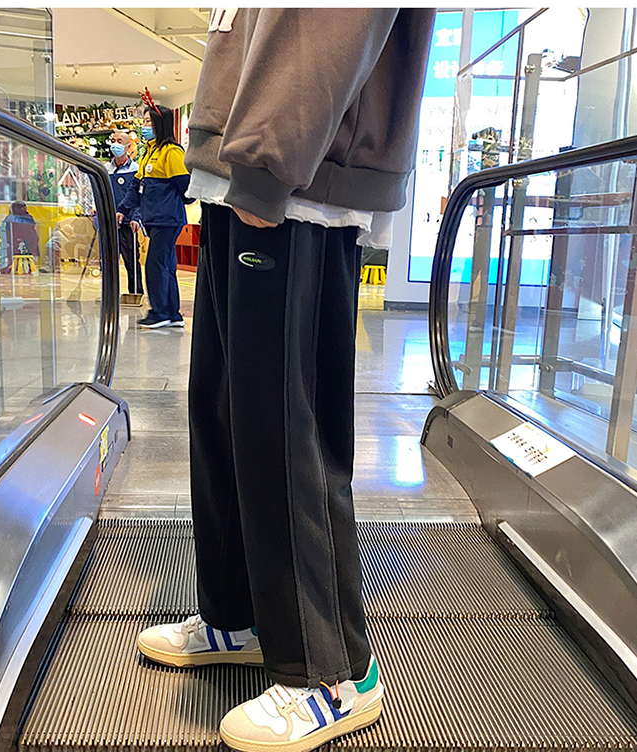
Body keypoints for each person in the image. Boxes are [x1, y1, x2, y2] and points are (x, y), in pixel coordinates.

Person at [136, 9, 434, 752]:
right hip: (241, 169)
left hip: (295, 175)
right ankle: (236, 614)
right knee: (223, 411)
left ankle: (335, 671)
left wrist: (270, 159)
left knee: (284, 428)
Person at [118, 93, 190, 329]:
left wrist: (176, 202)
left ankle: (159, 313)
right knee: (166, 265)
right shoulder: (149, 152)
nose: (144, 126)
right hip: (155, 218)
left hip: (167, 218)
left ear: (160, 124)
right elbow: (136, 185)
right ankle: (172, 314)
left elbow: (185, 185)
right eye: (144, 122)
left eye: (148, 122)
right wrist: (124, 209)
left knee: (155, 264)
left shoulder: (171, 152)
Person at [106, 130, 144, 305]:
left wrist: (136, 217)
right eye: (113, 140)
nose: (115, 144)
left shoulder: (136, 170)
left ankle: (136, 293)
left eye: (120, 141)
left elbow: (139, 197)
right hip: (109, 223)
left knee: (131, 261)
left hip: (128, 223)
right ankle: (110, 295)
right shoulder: (105, 170)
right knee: (109, 262)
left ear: (128, 147)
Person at [0, 201, 40, 274]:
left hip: (16, 244)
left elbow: (3, 232)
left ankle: (5, 266)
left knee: (2, 248)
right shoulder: (29, 218)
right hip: (27, 245)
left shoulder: (10, 218)